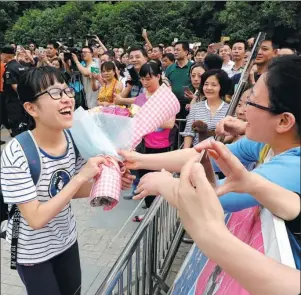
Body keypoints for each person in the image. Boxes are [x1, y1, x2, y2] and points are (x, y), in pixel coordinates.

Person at [119, 55, 301, 268]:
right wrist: (138, 160)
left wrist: (164, 184)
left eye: (252, 102)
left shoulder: (293, 168)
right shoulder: (269, 143)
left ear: (283, 121)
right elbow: (205, 155)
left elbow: (216, 198)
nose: (243, 110)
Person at [0, 66, 133, 295]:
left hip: (66, 240)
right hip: (32, 251)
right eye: (54, 93)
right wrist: (82, 176)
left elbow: (72, 189)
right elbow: (35, 218)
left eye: (66, 91)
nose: (66, 99)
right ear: (31, 108)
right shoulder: (17, 152)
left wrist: (110, 182)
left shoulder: (73, 139)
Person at [144, 143, 300, 295]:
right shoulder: (268, 148)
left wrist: (210, 234)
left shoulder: (293, 165)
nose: (243, 116)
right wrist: (252, 184)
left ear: (284, 121)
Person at [130, 61, 175, 216]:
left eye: (149, 78)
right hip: (143, 147)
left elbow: (170, 123)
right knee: (145, 182)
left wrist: (147, 119)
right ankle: (150, 213)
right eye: (142, 79)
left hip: (162, 147)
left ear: (158, 76)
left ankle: (161, 214)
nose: (145, 82)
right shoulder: (139, 99)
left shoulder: (166, 97)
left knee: (160, 182)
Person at [182, 69, 231, 148]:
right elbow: (189, 133)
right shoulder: (195, 107)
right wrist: (185, 151)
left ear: (222, 87)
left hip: (221, 152)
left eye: (214, 85)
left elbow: (233, 134)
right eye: (206, 84)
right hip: (197, 151)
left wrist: (213, 143)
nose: (208, 88)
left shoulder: (230, 109)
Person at [1, 46, 27, 137]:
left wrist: (21, 96)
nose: (1, 56)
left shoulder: (9, 68)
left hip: (13, 101)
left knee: (16, 124)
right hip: (21, 101)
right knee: (23, 123)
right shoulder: (19, 66)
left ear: (6, 55)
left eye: (1, 54)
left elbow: (14, 85)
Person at [165, 41, 193, 119]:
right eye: (175, 50)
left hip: (189, 104)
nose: (175, 52)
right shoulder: (170, 68)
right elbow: (165, 84)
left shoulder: (193, 67)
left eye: (178, 50)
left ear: (186, 52)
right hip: (172, 105)